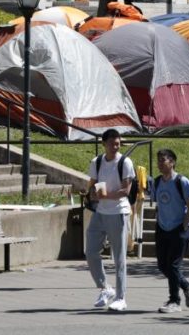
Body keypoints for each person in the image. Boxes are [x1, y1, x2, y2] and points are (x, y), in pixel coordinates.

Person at [85, 129, 135, 312]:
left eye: (118, 144)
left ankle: (121, 298)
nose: (115, 147)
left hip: (118, 212)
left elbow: (126, 191)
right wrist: (92, 194)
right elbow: (92, 185)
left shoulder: (125, 162)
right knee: (90, 251)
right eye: (112, 144)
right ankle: (105, 288)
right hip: (100, 213)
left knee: (119, 257)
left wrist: (106, 196)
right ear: (103, 144)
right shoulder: (96, 162)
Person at [151, 149, 189, 313]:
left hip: (179, 228)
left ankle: (174, 301)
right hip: (163, 227)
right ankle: (185, 284)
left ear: (173, 162)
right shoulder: (156, 182)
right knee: (163, 265)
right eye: (159, 160)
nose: (161, 163)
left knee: (174, 265)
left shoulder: (182, 181)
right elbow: (158, 203)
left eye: (164, 160)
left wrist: (185, 223)